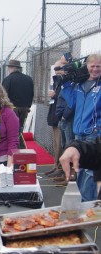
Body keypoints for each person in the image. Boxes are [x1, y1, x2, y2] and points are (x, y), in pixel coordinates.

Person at [60, 53, 101, 201]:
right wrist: (64, 83)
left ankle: (88, 205)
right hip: (79, 132)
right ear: (87, 66)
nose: (95, 69)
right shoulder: (80, 84)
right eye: (93, 66)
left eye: (98, 66)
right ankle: (81, 202)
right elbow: (71, 103)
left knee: (90, 173)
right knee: (79, 169)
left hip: (94, 133)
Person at [2, 59, 34, 149]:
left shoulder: (8, 79)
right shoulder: (28, 79)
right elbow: (32, 94)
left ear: (10, 68)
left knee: (11, 129)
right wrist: (28, 106)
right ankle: (21, 146)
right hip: (25, 108)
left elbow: (4, 95)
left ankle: (13, 147)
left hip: (12, 108)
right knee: (20, 129)